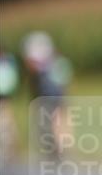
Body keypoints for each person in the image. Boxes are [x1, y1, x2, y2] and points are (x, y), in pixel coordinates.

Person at [21, 31, 72, 161]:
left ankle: (56, 151)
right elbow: (65, 82)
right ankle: (58, 151)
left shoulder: (44, 68)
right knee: (56, 124)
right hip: (57, 96)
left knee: (50, 124)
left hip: (50, 97)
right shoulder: (58, 63)